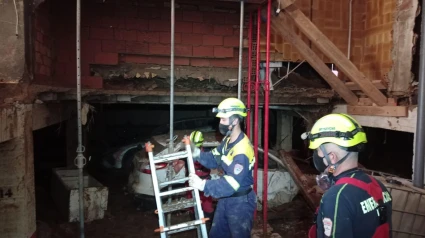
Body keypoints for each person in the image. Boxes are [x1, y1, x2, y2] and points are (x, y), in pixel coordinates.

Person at [302, 113, 392, 238]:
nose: (318, 158)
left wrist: (333, 194)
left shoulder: (336, 198)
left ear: (332, 157)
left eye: (319, 153)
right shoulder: (377, 185)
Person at [188, 97, 257, 238]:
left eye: (224, 119)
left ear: (235, 120)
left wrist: (204, 185)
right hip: (226, 198)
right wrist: (197, 153)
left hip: (240, 203)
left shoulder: (242, 151)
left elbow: (230, 183)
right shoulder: (227, 140)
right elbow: (214, 158)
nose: (220, 123)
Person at [185, 130, 214, 220]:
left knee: (207, 205)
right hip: (192, 182)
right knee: (193, 204)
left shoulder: (206, 153)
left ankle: (208, 223)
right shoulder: (186, 153)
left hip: (204, 182)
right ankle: (195, 221)